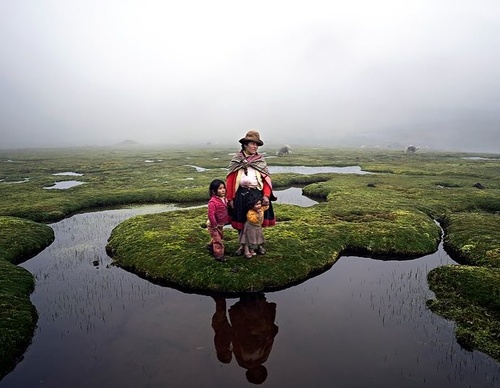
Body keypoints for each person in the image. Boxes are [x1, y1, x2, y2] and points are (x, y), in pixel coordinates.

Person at [226, 130, 276, 256]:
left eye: (256, 145)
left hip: (256, 194)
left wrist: (266, 195)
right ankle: (242, 246)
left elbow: (266, 179)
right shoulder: (237, 160)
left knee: (257, 221)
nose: (254, 147)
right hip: (241, 194)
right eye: (252, 144)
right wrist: (230, 198)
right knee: (241, 222)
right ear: (245, 145)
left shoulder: (260, 160)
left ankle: (258, 245)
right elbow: (231, 180)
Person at [211, 294, 279, 385]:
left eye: (255, 374)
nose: (256, 371)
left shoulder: (245, 360)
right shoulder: (259, 358)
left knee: (250, 307)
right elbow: (268, 339)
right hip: (253, 324)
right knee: (252, 307)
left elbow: (268, 339)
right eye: (258, 374)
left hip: (248, 325)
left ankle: (222, 301)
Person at [239, 190, 268, 259]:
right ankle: (246, 251)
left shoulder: (261, 209)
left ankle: (252, 249)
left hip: (257, 227)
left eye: (259, 204)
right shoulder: (250, 212)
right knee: (247, 240)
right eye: (256, 204)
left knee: (254, 239)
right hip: (250, 227)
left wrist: (266, 203)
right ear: (251, 205)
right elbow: (252, 219)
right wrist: (258, 215)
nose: (258, 206)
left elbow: (266, 207)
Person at [207, 179, 229, 262]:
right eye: (220, 188)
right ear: (213, 191)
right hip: (213, 225)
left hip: (220, 224)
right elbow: (211, 215)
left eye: (223, 188)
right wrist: (215, 225)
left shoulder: (224, 199)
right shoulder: (212, 202)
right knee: (218, 241)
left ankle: (210, 246)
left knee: (219, 237)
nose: (223, 190)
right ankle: (219, 256)